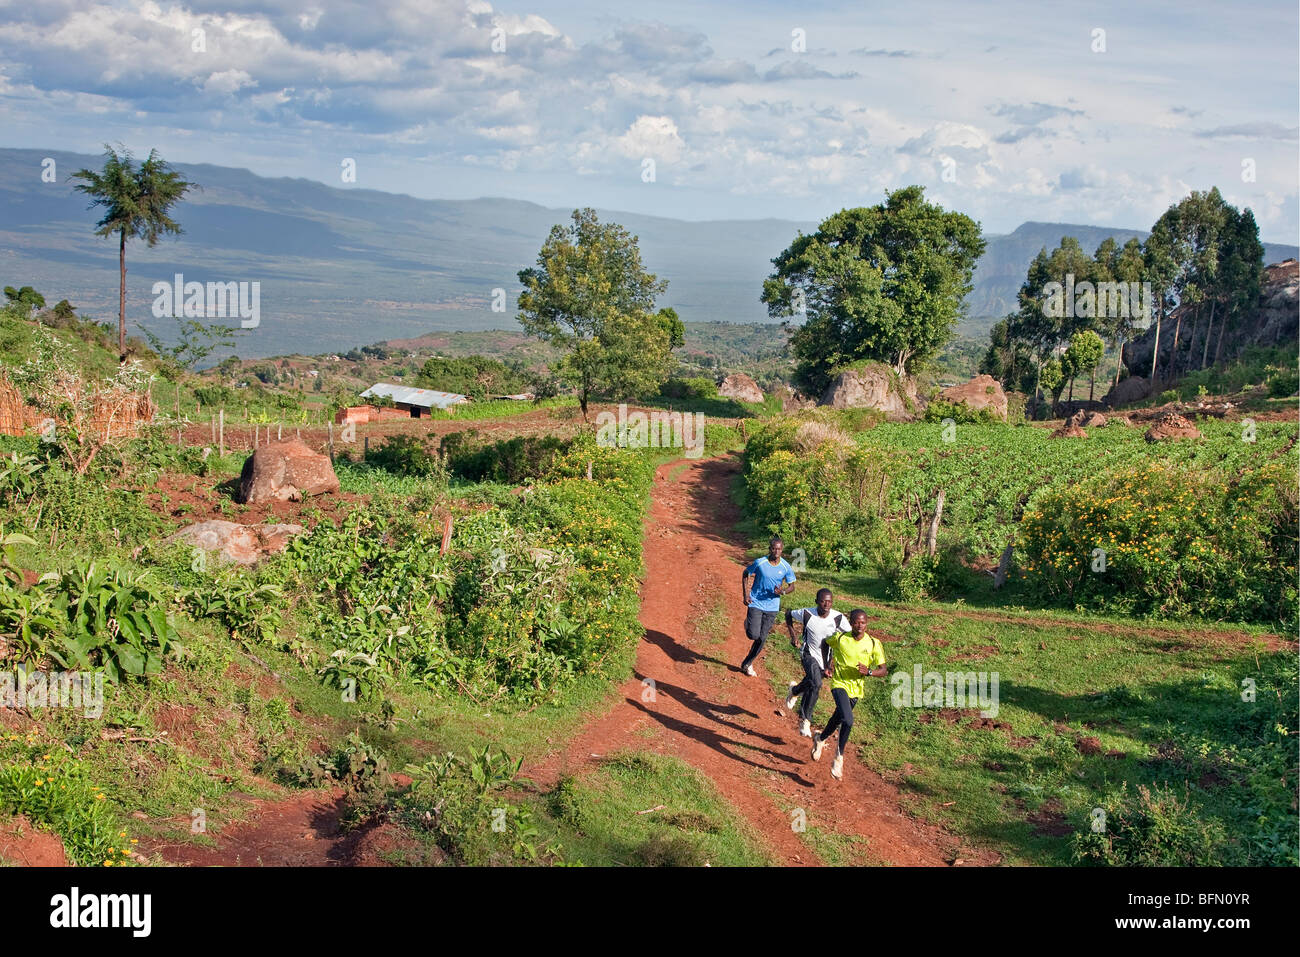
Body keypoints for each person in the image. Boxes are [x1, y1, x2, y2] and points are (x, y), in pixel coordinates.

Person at [811, 608, 887, 781]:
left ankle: (820, 738)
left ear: (866, 623)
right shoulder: (841, 638)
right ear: (851, 623)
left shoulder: (873, 644)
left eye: (863, 622)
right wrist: (826, 665)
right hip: (839, 684)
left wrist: (869, 672)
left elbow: (883, 670)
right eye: (856, 622)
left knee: (838, 718)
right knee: (848, 720)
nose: (860, 625)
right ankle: (839, 758)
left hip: (856, 689)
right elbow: (825, 643)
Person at [783, 588, 851, 738]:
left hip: (825, 660)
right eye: (823, 601)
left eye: (829, 601)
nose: (826, 604)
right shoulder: (807, 613)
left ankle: (794, 691)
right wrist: (793, 636)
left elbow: (850, 636)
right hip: (808, 654)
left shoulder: (838, 618)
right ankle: (805, 719)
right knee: (816, 683)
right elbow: (788, 614)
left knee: (813, 682)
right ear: (816, 602)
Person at [739, 537, 796, 677]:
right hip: (756, 602)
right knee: (753, 634)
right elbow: (746, 574)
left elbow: (792, 586)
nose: (776, 551)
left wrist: (782, 591)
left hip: (772, 606)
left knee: (762, 638)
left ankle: (747, 663)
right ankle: (749, 624)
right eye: (774, 548)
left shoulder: (785, 567)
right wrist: (746, 594)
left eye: (779, 549)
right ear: (770, 549)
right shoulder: (760, 562)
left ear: (782, 550)